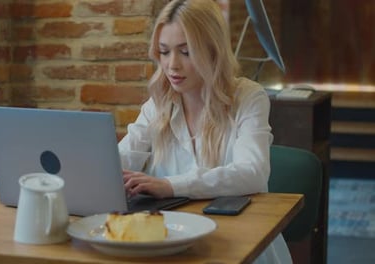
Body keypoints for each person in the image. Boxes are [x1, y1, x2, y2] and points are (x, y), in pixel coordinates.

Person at [118, 0, 292, 263]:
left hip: (241, 243)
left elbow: (252, 173)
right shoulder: (159, 104)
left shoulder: (248, 97)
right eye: (164, 52)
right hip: (172, 242)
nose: (172, 65)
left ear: (213, 51)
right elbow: (120, 160)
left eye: (186, 52)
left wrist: (169, 185)